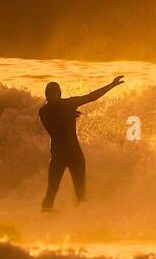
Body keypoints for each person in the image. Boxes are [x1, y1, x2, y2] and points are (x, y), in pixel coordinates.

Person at [39, 75, 124, 211]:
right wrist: (68, 115)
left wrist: (111, 85)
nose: (52, 96)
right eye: (49, 94)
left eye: (54, 93)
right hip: (57, 157)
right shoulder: (43, 111)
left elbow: (91, 97)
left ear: (59, 94)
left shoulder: (69, 104)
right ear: (46, 96)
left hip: (75, 156)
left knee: (81, 194)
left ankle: (81, 223)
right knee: (51, 193)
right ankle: (43, 221)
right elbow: (53, 130)